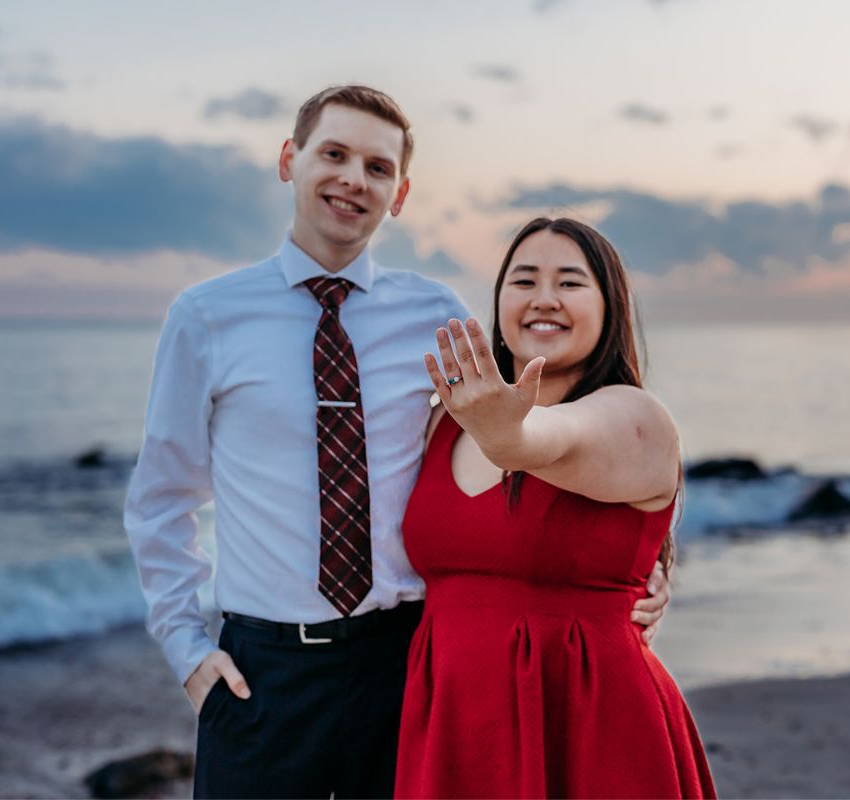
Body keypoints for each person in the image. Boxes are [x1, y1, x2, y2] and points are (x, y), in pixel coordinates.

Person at [123, 86, 672, 799]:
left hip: (406, 662)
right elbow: (163, 497)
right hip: (266, 671)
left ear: (400, 193)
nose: (354, 178)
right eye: (334, 154)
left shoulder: (436, 316)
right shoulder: (205, 317)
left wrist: (641, 571)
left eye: (377, 167)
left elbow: (533, 446)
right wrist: (186, 649)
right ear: (290, 160)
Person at [395, 217, 716, 798]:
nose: (545, 299)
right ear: (499, 301)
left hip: (592, 727)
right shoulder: (442, 421)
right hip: (452, 724)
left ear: (609, 305)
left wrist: (504, 432)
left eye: (570, 283)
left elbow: (544, 441)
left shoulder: (636, 417)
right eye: (524, 281)